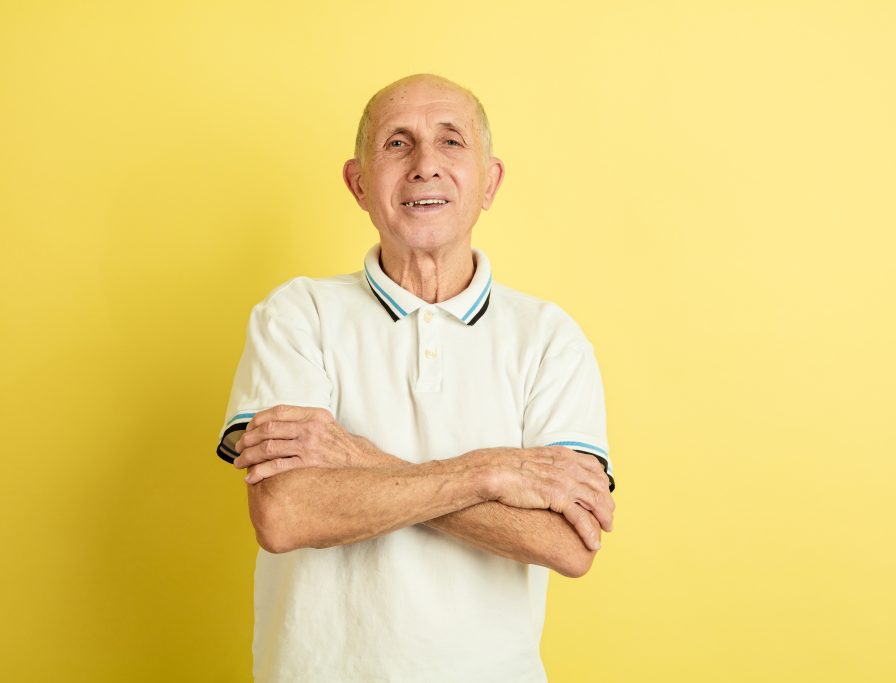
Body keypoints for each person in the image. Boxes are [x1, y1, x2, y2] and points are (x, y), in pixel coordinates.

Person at [215, 73, 616, 682]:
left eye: (451, 141)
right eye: (397, 143)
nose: (425, 164)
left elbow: (567, 543)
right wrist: (490, 472)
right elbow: (286, 514)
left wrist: (358, 460)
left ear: (490, 182)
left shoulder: (550, 339)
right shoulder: (298, 314)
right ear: (358, 183)